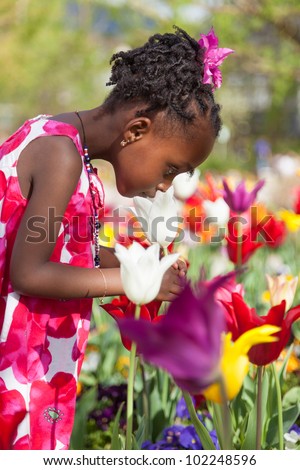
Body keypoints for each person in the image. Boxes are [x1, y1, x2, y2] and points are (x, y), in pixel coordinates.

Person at [0, 26, 229, 450]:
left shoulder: (64, 145)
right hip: (17, 362)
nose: (166, 187)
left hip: (34, 355)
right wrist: (135, 284)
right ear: (136, 130)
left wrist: (138, 262)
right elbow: (29, 273)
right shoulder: (61, 155)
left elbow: (65, 250)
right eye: (170, 169)